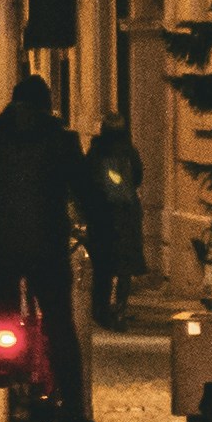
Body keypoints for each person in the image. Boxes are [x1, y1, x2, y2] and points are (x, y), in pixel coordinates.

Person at [0, 71, 92, 422]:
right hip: (48, 249)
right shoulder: (61, 141)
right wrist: (89, 231)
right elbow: (83, 190)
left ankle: (1, 359)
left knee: (4, 300)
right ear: (47, 106)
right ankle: (73, 410)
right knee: (59, 325)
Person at [84, 112, 148, 324]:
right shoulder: (129, 151)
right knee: (125, 267)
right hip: (126, 212)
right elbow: (138, 175)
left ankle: (100, 309)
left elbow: (88, 179)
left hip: (103, 214)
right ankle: (120, 307)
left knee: (103, 266)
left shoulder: (96, 151)